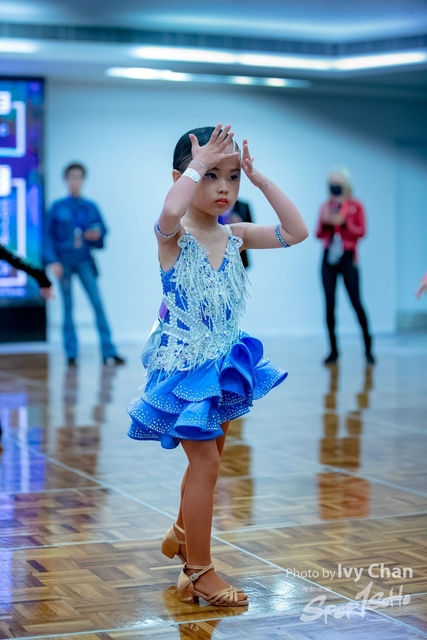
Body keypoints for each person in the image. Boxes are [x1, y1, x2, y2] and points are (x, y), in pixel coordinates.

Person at [126, 125, 308, 607]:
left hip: (222, 366)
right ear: (183, 176)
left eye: (232, 176)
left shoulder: (235, 236)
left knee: (210, 458)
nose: (224, 187)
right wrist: (196, 165)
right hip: (183, 367)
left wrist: (260, 179)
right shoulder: (172, 237)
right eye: (210, 174)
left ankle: (182, 533)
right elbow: (169, 210)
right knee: (205, 461)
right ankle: (200, 571)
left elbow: (296, 231)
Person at [44, 163, 125, 367]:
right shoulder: (57, 207)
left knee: (97, 303)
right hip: (64, 262)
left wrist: (96, 235)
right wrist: (52, 261)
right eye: (71, 177)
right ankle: (71, 353)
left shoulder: (90, 207)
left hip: (84, 260)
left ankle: (109, 351)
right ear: (66, 180)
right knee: (68, 306)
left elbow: (102, 232)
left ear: (83, 180)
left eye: (78, 177)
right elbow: (46, 237)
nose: (75, 181)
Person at [316, 167, 374, 365]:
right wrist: (326, 221)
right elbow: (318, 233)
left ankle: (368, 348)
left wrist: (344, 222)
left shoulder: (356, 206)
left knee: (356, 302)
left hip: (348, 256)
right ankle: (333, 350)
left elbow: (361, 232)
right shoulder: (326, 206)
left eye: (338, 183)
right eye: (331, 183)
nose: (334, 186)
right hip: (329, 256)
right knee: (330, 305)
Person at [218, 199, 253, 268]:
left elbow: (251, 232)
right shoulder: (212, 205)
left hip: (239, 259)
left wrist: (240, 226)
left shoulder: (243, 206)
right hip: (216, 254)